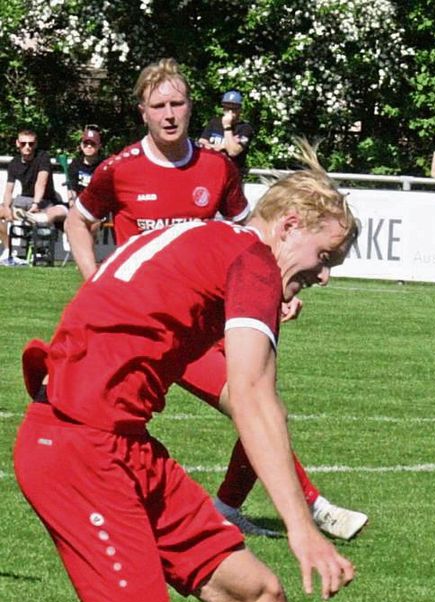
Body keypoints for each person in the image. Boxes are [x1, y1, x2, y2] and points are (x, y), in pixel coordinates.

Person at [6, 150, 435, 602]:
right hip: (80, 450)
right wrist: (302, 528)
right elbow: (250, 394)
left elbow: (163, 337)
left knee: (259, 600)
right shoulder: (253, 260)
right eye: (324, 257)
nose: (323, 276)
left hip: (115, 445)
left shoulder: (211, 241)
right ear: (291, 224)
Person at [64, 58, 367, 542]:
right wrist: (98, 279)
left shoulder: (216, 167)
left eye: (178, 103)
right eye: (158, 105)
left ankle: (228, 508)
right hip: (163, 326)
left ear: (191, 107)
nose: (169, 114)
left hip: (220, 318)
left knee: (262, 403)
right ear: (141, 111)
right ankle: (309, 507)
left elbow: (252, 235)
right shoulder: (119, 169)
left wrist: (273, 288)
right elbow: (77, 222)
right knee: (253, 403)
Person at [0, 128, 67, 265]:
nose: (27, 147)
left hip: (44, 200)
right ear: (17, 144)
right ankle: (8, 252)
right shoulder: (14, 162)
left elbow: (41, 182)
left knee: (48, 214)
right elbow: (8, 189)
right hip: (23, 200)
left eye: (31, 144)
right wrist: (6, 207)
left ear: (35, 144)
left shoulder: (43, 157)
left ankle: (38, 242)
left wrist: (36, 204)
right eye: (23, 143)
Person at [198, 89, 255, 174]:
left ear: (240, 109)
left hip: (231, 174)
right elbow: (202, 144)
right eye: (227, 108)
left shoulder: (245, 128)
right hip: (210, 170)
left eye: (234, 108)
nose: (230, 112)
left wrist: (227, 126)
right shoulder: (214, 122)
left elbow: (233, 151)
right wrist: (224, 146)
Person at [65, 125, 106, 205]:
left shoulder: (104, 166)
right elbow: (71, 189)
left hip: (98, 206)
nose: (89, 146)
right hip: (78, 205)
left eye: (93, 144)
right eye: (86, 143)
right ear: (81, 145)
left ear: (99, 146)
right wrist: (73, 206)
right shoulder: (75, 164)